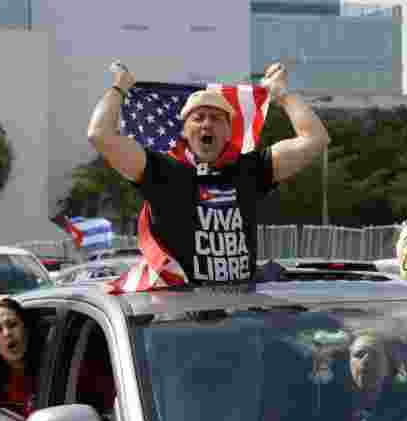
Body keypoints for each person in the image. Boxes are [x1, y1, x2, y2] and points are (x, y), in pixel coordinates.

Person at [87, 60, 329, 286]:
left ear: (228, 131)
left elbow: (315, 139)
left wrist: (282, 94)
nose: (206, 124)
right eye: (198, 118)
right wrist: (119, 88)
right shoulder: (163, 171)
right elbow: (99, 135)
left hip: (240, 309)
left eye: (215, 118)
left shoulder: (252, 169)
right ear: (184, 131)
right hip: (178, 311)